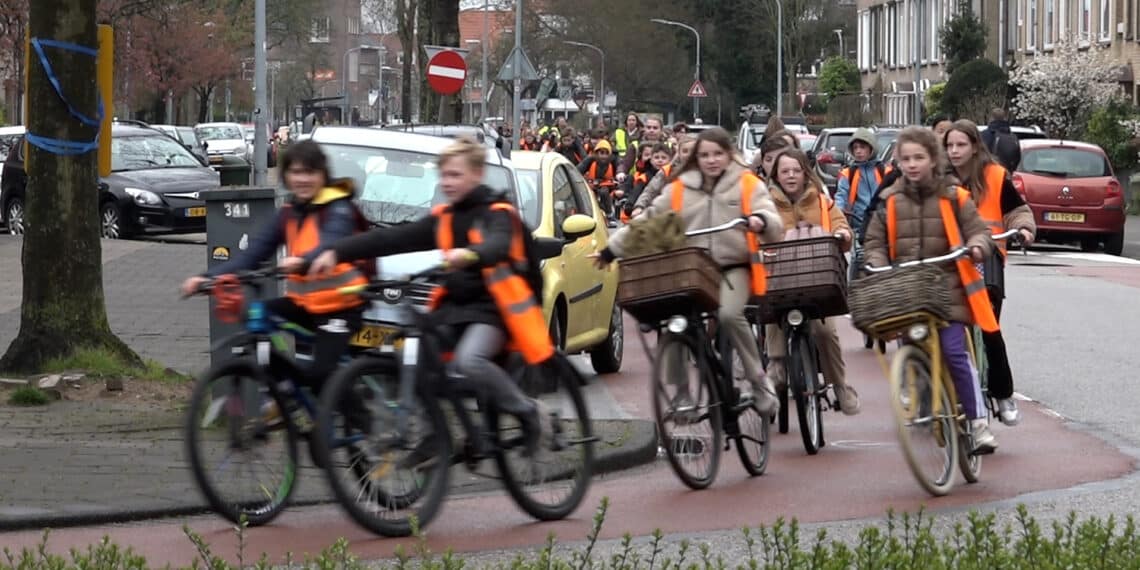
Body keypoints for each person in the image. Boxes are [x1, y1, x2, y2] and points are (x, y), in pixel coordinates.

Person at [308, 137, 554, 457]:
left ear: (477, 174)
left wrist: (470, 254)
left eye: (455, 175)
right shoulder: (445, 218)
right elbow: (391, 239)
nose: (447, 182)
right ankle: (435, 434)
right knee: (416, 353)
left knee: (470, 360)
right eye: (444, 175)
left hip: (497, 309)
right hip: (458, 307)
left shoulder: (497, 214)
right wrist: (336, 251)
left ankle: (528, 411)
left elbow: (497, 245)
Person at [594, 128, 784, 415]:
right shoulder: (680, 188)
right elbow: (648, 220)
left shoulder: (747, 183)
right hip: (693, 270)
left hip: (734, 267)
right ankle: (682, 394)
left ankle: (759, 381)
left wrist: (759, 220)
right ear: (696, 158)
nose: (711, 160)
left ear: (729, 154)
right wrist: (611, 250)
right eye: (704, 155)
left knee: (730, 314)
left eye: (717, 154)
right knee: (675, 322)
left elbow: (772, 219)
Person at [179, 141, 368, 390]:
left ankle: (358, 417)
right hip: (305, 305)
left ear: (323, 175)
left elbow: (332, 241)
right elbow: (253, 254)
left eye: (310, 172)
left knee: (320, 376)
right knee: (256, 317)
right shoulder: (289, 213)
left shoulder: (338, 209)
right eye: (296, 172)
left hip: (342, 307)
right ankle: (286, 394)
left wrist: (304, 261)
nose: (302, 179)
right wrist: (207, 278)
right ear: (286, 176)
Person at [863, 126, 999, 453]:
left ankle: (978, 423)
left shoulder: (954, 197)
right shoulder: (889, 201)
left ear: (933, 159)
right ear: (897, 161)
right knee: (912, 344)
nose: (912, 164)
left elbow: (978, 231)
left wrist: (977, 247)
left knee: (954, 351)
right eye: (906, 158)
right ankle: (921, 389)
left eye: (919, 157)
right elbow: (874, 242)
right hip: (908, 292)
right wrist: (878, 263)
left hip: (948, 290)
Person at [944, 119, 1036, 426]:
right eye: (949, 145)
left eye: (960, 145)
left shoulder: (996, 176)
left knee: (989, 327)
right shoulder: (938, 179)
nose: (954, 151)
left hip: (987, 258)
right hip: (947, 260)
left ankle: (1002, 393)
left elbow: (1017, 210)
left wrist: (1023, 229)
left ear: (974, 147)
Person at [763, 148, 861, 415]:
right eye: (785, 171)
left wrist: (842, 234)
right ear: (776, 175)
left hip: (818, 279)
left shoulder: (821, 201)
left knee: (826, 332)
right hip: (780, 279)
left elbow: (842, 225)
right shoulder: (764, 203)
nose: (791, 176)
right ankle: (776, 364)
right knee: (771, 312)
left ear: (805, 173)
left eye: (796, 170)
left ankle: (839, 386)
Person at [629, 133, 697, 217]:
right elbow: (651, 190)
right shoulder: (668, 170)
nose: (689, 155)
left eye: (693, 151)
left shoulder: (704, 170)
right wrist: (639, 206)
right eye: (685, 151)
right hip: (671, 214)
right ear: (678, 153)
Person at [835, 128, 888, 233]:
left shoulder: (885, 171)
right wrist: (838, 212)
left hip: (883, 227)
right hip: (857, 228)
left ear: (871, 148)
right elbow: (841, 196)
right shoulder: (848, 174)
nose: (858, 151)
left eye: (862, 147)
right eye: (855, 148)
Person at [981, 108, 1022, 172]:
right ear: (1004, 118)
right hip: (1006, 174)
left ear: (991, 118)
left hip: (988, 173)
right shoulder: (1013, 137)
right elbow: (1017, 158)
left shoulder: (984, 135)